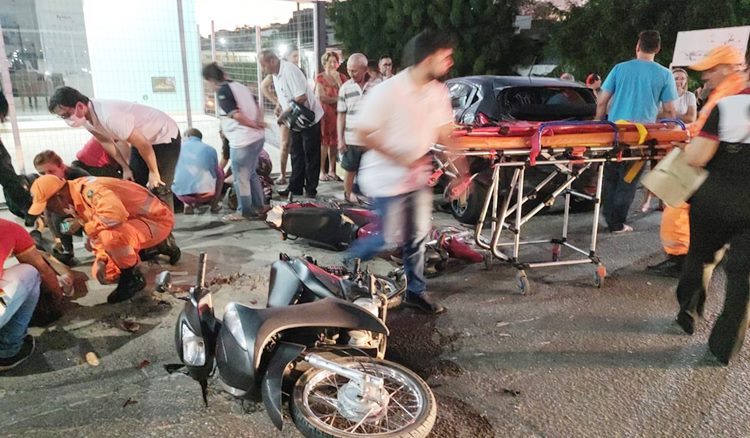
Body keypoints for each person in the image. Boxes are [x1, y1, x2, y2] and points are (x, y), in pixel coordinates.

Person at [343, 29, 464, 315]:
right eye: (446, 57)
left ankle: (415, 292)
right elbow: (361, 134)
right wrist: (399, 157)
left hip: (416, 178)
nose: (450, 63)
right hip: (384, 178)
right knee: (387, 238)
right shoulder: (388, 90)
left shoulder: (437, 92)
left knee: (417, 237)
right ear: (429, 57)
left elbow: (446, 134)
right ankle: (350, 260)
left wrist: (461, 172)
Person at [647, 45, 746, 278]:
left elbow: (713, 132)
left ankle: (682, 261)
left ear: (726, 69)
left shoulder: (730, 95)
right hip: (717, 164)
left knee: (678, 203)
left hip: (711, 165)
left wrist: (688, 144)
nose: (704, 75)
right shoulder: (728, 92)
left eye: (710, 70)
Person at [673, 80, 750, 365]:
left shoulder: (729, 105)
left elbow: (699, 155)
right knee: (744, 276)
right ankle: (725, 346)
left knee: (702, 255)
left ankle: (689, 310)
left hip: (716, 198)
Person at [28, 175, 178, 303]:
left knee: (112, 237)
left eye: (48, 206)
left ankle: (132, 278)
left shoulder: (90, 191)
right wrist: (101, 259)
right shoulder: (75, 197)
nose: (49, 211)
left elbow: (114, 216)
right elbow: (100, 231)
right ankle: (151, 249)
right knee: (106, 273)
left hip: (156, 221)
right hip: (133, 223)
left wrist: (84, 226)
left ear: (58, 197)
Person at [594, 30, 677, 234]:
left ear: (637, 46)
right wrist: (670, 132)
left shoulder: (619, 69)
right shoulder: (665, 74)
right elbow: (669, 110)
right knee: (628, 179)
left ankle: (607, 216)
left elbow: (602, 101)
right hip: (640, 137)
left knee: (611, 174)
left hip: (614, 133)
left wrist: (597, 124)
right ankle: (617, 223)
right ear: (657, 49)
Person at [47, 86, 181, 211]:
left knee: (159, 186)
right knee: (134, 185)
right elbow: (106, 141)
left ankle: (165, 233)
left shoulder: (110, 116)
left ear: (80, 106)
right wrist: (125, 168)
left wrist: (154, 172)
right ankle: (145, 226)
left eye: (66, 115)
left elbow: (143, 145)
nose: (66, 119)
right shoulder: (86, 119)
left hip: (164, 135)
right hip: (143, 139)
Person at [0, 218, 70, 371]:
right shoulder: (6, 228)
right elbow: (43, 271)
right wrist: (58, 300)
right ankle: (7, 350)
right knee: (29, 272)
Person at [202, 63, 267, 220]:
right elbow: (257, 104)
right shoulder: (239, 86)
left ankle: (244, 211)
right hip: (257, 138)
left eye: (206, 82)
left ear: (210, 79)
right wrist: (258, 122)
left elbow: (236, 115)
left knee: (241, 178)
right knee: (251, 174)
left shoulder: (223, 91)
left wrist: (253, 124)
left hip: (243, 140)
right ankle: (260, 206)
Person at [260, 50, 324, 199]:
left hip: (308, 119)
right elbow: (285, 95)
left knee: (310, 155)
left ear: (272, 61)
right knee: (296, 154)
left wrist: (285, 113)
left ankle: (311, 189)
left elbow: (301, 97)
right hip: (295, 119)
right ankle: (295, 187)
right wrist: (279, 106)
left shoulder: (289, 71)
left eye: (263, 66)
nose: (263, 69)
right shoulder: (276, 74)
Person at [33, 150, 90, 266]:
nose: (47, 176)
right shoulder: (46, 184)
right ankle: (67, 250)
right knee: (57, 217)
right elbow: (48, 211)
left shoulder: (80, 177)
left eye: (51, 171)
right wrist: (57, 238)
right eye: (42, 174)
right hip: (71, 217)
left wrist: (81, 221)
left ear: (62, 167)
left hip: (91, 215)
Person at [337, 53, 381, 203]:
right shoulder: (345, 88)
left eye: (355, 70)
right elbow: (341, 115)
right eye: (349, 70)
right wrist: (340, 139)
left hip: (372, 139)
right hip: (351, 138)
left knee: (372, 170)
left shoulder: (378, 86)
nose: (351, 74)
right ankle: (347, 197)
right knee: (350, 169)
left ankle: (373, 199)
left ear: (365, 69)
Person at [260, 48, 301, 186]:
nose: (297, 58)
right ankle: (283, 175)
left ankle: (298, 176)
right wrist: (277, 101)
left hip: (298, 112)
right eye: (294, 56)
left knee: (298, 146)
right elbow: (263, 87)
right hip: (287, 112)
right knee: (285, 144)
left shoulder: (294, 70)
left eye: (298, 55)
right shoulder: (278, 72)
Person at [172, 128, 223, 215]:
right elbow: (214, 172)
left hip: (182, 195)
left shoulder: (176, 149)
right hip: (206, 195)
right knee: (220, 172)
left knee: (174, 171)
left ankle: (186, 204)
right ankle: (214, 205)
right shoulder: (211, 149)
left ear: (187, 136)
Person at [315, 52, 347, 182]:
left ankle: (332, 170)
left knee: (334, 142)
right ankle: (322, 171)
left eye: (335, 61)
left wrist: (339, 81)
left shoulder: (342, 77)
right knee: (324, 142)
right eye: (330, 62)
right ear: (325, 63)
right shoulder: (320, 78)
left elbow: (345, 92)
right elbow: (321, 97)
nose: (333, 64)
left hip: (338, 113)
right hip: (325, 113)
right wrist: (338, 99)